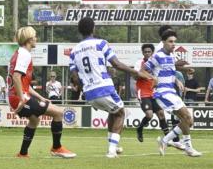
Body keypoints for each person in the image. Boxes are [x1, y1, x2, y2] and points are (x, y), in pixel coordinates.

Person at [69, 17, 150, 158]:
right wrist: (136, 72)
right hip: (104, 87)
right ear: (93, 28)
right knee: (120, 113)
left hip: (89, 92)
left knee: (113, 112)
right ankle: (112, 150)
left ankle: (113, 145)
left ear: (79, 31)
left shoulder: (73, 51)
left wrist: (86, 91)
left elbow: (75, 78)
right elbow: (117, 64)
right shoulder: (101, 43)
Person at [7, 26, 76, 158]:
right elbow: (16, 77)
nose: (36, 38)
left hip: (15, 97)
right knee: (58, 113)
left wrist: (41, 98)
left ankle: (23, 153)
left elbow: (24, 84)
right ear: (29, 39)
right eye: (35, 36)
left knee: (34, 121)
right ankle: (57, 148)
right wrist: (22, 98)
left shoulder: (17, 54)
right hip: (19, 98)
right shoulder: (24, 54)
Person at [143, 30, 202, 157]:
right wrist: (152, 78)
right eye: (170, 42)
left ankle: (164, 141)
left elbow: (171, 71)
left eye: (174, 42)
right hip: (162, 93)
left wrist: (184, 70)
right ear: (163, 42)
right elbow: (142, 70)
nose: (173, 44)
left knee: (189, 121)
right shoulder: (157, 56)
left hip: (171, 92)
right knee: (186, 117)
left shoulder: (171, 57)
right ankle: (188, 148)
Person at [134, 43, 179, 148]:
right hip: (143, 92)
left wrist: (176, 81)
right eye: (145, 52)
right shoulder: (139, 63)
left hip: (154, 92)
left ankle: (168, 137)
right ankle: (139, 128)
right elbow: (136, 75)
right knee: (149, 115)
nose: (147, 53)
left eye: (149, 52)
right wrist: (150, 76)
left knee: (161, 114)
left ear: (152, 53)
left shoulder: (156, 62)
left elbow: (165, 73)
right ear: (142, 53)